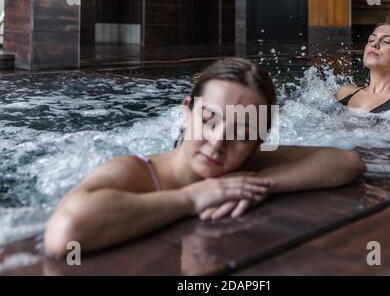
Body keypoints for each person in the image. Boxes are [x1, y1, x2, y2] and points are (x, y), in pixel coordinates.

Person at [44, 58, 366, 257]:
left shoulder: (247, 164)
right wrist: (191, 198)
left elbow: (346, 162)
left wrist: (260, 185)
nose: (217, 142)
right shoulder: (136, 172)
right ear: (187, 111)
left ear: (257, 141)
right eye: (209, 120)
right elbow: (65, 231)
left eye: (240, 133)